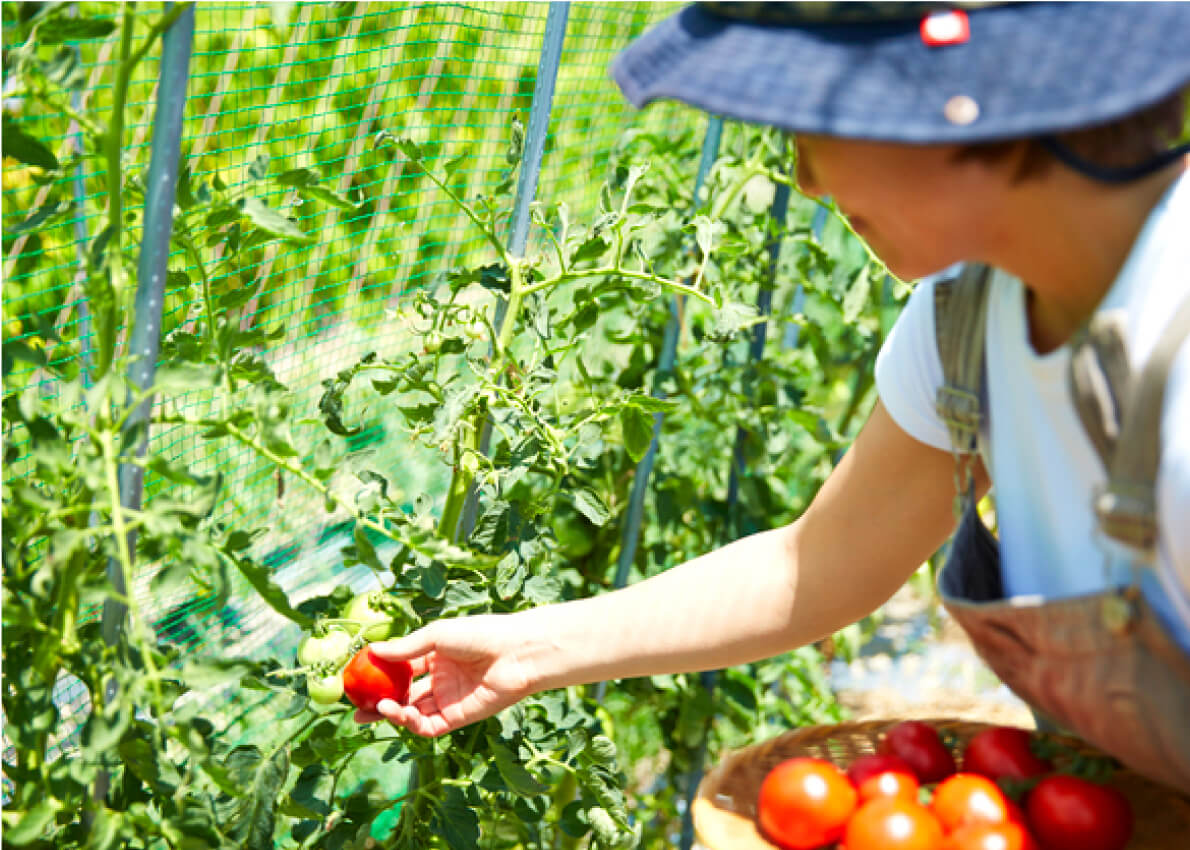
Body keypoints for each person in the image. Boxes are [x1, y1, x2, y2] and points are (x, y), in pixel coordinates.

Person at [358, 2, 1190, 791]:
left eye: (813, 123)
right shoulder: (967, 324)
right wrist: (529, 650)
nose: (806, 178)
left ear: (950, 103)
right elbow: (817, 562)